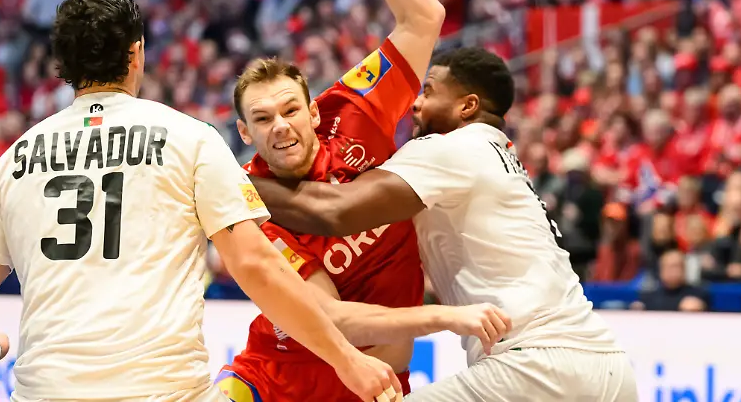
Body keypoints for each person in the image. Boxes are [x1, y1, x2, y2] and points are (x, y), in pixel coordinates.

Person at [0, 0, 403, 402]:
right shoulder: (191, 138)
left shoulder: (14, 159)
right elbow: (258, 267)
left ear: (62, 64)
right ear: (136, 53)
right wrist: (347, 359)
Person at [218, 0, 510, 401]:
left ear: (314, 112)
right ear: (245, 133)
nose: (281, 127)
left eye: (290, 110)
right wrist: (448, 317)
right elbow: (334, 320)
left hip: (374, 386)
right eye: (263, 120)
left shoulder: (351, 109)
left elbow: (424, 18)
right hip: (273, 377)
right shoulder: (250, 203)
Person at [249, 47, 638, 401]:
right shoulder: (499, 154)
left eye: (430, 92)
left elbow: (331, 211)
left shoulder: (448, 147)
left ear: (467, 106)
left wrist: (228, 181)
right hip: (609, 366)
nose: (416, 104)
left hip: (535, 363)